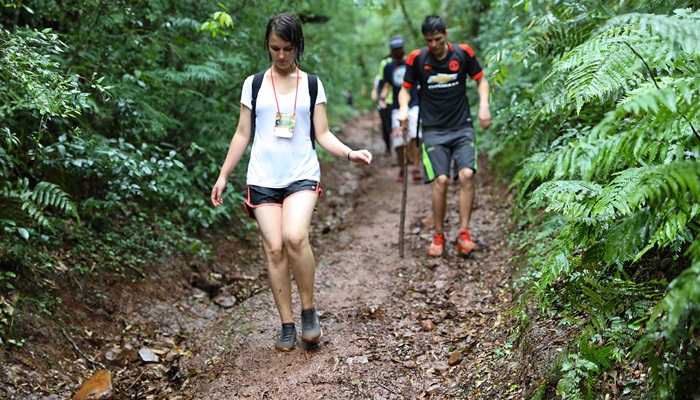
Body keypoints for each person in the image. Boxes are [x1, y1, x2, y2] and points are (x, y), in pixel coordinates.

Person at [211, 13, 372, 351]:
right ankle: (286, 324)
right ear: (267, 47)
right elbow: (243, 133)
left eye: (287, 49)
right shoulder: (254, 84)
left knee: (295, 236)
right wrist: (224, 175)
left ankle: (309, 312)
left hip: (301, 172)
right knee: (274, 248)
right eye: (275, 48)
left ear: (298, 46)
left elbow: (322, 133)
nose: (281, 56)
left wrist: (348, 153)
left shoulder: (312, 84)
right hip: (263, 177)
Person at [397, 15, 491, 257]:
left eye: (438, 39)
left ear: (446, 35)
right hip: (434, 130)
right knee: (441, 181)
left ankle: (464, 234)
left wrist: (483, 106)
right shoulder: (418, 58)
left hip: (462, 127)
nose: (434, 45)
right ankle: (438, 236)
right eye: (429, 40)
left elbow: (481, 81)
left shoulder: (463, 54)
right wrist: (405, 109)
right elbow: (405, 91)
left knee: (467, 174)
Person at [378, 35, 422, 183]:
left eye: (399, 48)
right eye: (394, 49)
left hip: (414, 103)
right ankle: (402, 169)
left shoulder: (412, 62)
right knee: (398, 139)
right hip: (396, 107)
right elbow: (386, 86)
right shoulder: (389, 67)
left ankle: (416, 167)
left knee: (416, 136)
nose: (397, 51)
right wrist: (381, 98)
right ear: (391, 50)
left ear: (403, 47)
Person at [371, 53, 394, 156]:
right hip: (383, 103)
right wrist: (377, 97)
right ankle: (388, 148)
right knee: (386, 127)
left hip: (394, 103)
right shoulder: (379, 77)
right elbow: (375, 89)